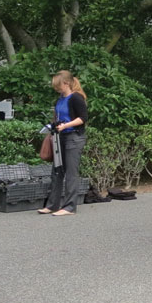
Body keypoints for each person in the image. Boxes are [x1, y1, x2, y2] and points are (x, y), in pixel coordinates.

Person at [39, 70, 88, 216]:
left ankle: (69, 207)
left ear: (66, 83)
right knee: (57, 171)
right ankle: (52, 205)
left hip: (74, 137)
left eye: (58, 85)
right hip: (59, 137)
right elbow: (57, 117)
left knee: (71, 173)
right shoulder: (60, 99)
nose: (56, 89)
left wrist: (66, 126)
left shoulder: (76, 98)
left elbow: (83, 118)